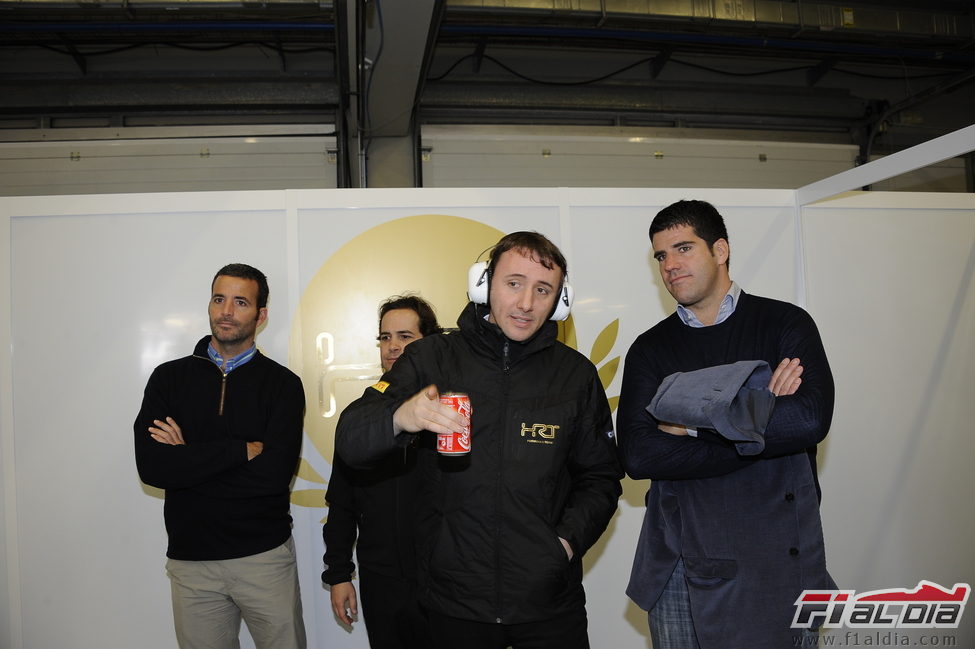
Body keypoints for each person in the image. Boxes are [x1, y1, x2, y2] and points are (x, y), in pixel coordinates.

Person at [336, 231, 623, 649]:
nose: (526, 303)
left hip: (547, 605)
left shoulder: (576, 376)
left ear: (560, 301)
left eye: (542, 290)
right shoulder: (433, 357)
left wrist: (562, 544)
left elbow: (601, 478)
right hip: (453, 606)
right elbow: (351, 438)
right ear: (484, 285)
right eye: (513, 284)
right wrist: (402, 416)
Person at [617, 200, 835, 649]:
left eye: (683, 248)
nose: (670, 265)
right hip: (677, 561)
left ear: (720, 250)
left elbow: (809, 419)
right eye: (661, 256)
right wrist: (758, 414)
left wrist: (690, 426)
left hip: (774, 556)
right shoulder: (651, 348)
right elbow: (639, 455)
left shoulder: (784, 323)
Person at [134, 263, 306, 649]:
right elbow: (153, 466)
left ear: (260, 315)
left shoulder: (283, 385)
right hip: (191, 562)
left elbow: (273, 478)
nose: (226, 311)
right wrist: (239, 451)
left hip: (263, 558)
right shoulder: (168, 378)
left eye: (240, 302)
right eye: (219, 299)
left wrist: (187, 459)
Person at [323, 294, 443, 648]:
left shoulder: (453, 411)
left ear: (429, 343)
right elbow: (342, 504)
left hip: (444, 583)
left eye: (405, 337)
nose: (393, 347)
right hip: (383, 583)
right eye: (385, 338)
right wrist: (339, 574)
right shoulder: (361, 417)